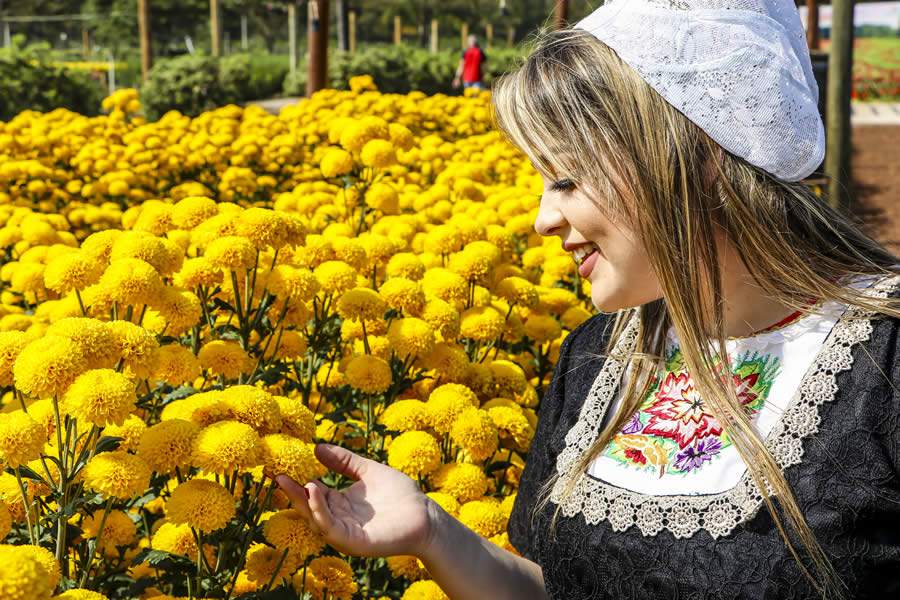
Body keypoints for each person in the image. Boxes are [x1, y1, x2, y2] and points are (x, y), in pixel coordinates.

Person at [275, 0, 900, 598]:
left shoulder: (885, 363)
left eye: (567, 178)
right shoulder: (596, 356)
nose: (543, 219)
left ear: (698, 155)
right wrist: (432, 533)